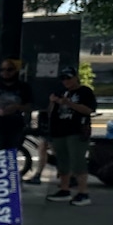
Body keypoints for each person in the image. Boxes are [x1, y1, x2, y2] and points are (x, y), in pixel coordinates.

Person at [45, 65, 97, 206]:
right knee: (62, 162)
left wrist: (69, 103)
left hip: (77, 130)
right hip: (59, 131)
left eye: (68, 78)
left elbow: (88, 110)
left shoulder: (85, 91)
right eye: (63, 79)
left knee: (77, 161)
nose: (66, 81)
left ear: (75, 77)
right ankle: (64, 189)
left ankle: (83, 192)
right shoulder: (61, 92)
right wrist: (52, 102)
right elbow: (50, 113)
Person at [0, 58, 32, 151]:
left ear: (15, 70)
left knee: (11, 153)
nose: (5, 72)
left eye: (9, 69)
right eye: (2, 70)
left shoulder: (23, 87)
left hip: (15, 126)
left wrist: (17, 107)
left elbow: (29, 106)